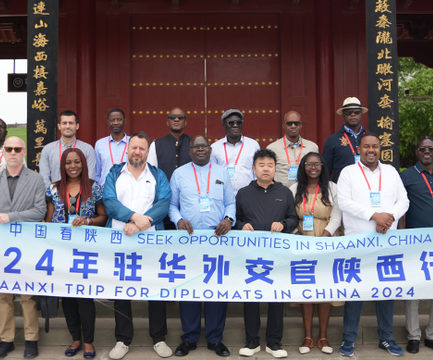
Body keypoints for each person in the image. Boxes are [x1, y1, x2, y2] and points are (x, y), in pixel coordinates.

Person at [336, 133, 409, 357]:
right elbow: (343, 202)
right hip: (357, 242)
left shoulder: (391, 172)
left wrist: (388, 218)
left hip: (386, 240)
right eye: (366, 146)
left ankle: (386, 338)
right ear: (359, 149)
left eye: (375, 147)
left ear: (380, 149)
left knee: (386, 291)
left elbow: (403, 200)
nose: (371, 150)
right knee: (355, 291)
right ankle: (349, 339)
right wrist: (373, 215)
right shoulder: (348, 172)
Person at [102, 132, 172, 359]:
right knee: (121, 290)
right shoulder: (115, 172)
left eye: (142, 148)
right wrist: (134, 217)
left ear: (147, 152)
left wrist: (141, 224)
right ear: (127, 149)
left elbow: (163, 203)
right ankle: (122, 339)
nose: (137, 152)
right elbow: (110, 202)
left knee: (156, 288)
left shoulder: (158, 175)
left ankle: (159, 338)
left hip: (151, 241)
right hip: (120, 240)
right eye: (134, 147)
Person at [168, 135, 234, 358]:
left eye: (204, 146)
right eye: (196, 147)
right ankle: (189, 338)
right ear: (190, 151)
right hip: (189, 241)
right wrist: (178, 220)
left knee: (216, 288)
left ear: (210, 149)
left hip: (217, 240)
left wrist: (229, 219)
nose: (200, 149)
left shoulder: (222, 172)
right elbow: (172, 205)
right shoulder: (179, 174)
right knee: (189, 288)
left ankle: (215, 339)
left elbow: (230, 203)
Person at [0, 136, 47, 359]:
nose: (12, 152)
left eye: (17, 149)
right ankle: (6, 339)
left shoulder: (36, 180)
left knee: (28, 296)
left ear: (24, 152)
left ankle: (31, 339)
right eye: (8, 148)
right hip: (1, 246)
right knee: (3, 295)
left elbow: (39, 211)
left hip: (27, 245)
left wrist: (12, 217)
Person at [43, 148, 107, 360]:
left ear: (83, 164)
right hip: (62, 251)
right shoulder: (54, 188)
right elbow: (50, 219)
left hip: (85, 251)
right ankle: (75, 339)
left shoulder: (94, 187)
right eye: (68, 162)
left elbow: (103, 217)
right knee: (68, 298)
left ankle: (88, 341)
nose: (73, 166)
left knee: (84, 297)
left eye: (77, 162)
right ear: (63, 165)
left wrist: (87, 221)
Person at [234, 148, 298, 359]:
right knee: (251, 297)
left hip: (277, 254)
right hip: (250, 254)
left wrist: (283, 224)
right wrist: (242, 225)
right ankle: (251, 341)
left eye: (270, 165)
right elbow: (236, 220)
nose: (266, 168)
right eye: (261, 165)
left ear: (274, 169)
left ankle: (274, 342)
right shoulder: (243, 193)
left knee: (276, 298)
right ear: (254, 169)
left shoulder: (284, 192)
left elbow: (293, 219)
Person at [398, 136, 433, 355]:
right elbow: (401, 208)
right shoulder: (406, 175)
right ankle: (413, 336)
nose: (427, 151)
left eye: (431, 148)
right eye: (423, 149)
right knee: (413, 289)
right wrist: (401, 236)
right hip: (413, 239)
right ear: (416, 152)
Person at [288, 152, 342, 355]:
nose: (313, 167)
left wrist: (324, 238)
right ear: (303, 166)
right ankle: (308, 336)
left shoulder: (332, 187)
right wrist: (300, 236)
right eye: (309, 164)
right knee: (307, 287)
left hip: (327, 242)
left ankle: (323, 336)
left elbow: (337, 216)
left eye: (317, 164)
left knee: (325, 289)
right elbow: (290, 216)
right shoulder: (294, 189)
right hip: (301, 242)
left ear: (322, 166)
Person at [147, 107, 192, 230]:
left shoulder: (194, 144)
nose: (176, 119)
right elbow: (151, 176)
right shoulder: (156, 145)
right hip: (164, 203)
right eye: (173, 117)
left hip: (189, 204)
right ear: (167, 122)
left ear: (185, 122)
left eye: (180, 117)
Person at [39, 110, 97, 188]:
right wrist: (53, 194)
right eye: (64, 123)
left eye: (71, 123)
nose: (67, 126)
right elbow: (44, 177)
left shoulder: (87, 149)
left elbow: (90, 176)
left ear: (77, 126)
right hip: (55, 196)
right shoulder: (48, 149)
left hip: (80, 196)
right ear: (59, 126)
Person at [210, 109, 261, 195]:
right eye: (231, 123)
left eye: (239, 122)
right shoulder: (215, 148)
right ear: (223, 125)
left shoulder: (253, 145)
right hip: (224, 196)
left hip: (249, 196)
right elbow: (212, 175)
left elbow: (257, 172)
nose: (235, 125)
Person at [266, 111, 319, 188]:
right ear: (284, 125)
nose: (293, 126)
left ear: (301, 125)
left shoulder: (312, 147)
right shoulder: (272, 148)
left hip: (306, 192)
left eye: (296, 123)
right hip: (282, 194)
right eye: (289, 123)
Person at [322, 97, 368, 183]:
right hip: (341, 189)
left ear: (361, 114)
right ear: (343, 115)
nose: (353, 114)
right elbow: (325, 171)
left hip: (367, 188)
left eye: (357, 112)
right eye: (348, 112)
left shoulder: (371, 138)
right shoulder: (332, 140)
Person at [94, 108, 130, 185]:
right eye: (112, 120)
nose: (115, 122)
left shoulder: (133, 142)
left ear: (124, 121)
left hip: (128, 190)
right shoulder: (100, 144)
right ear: (108, 122)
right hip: (105, 191)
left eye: (119, 119)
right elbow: (97, 172)